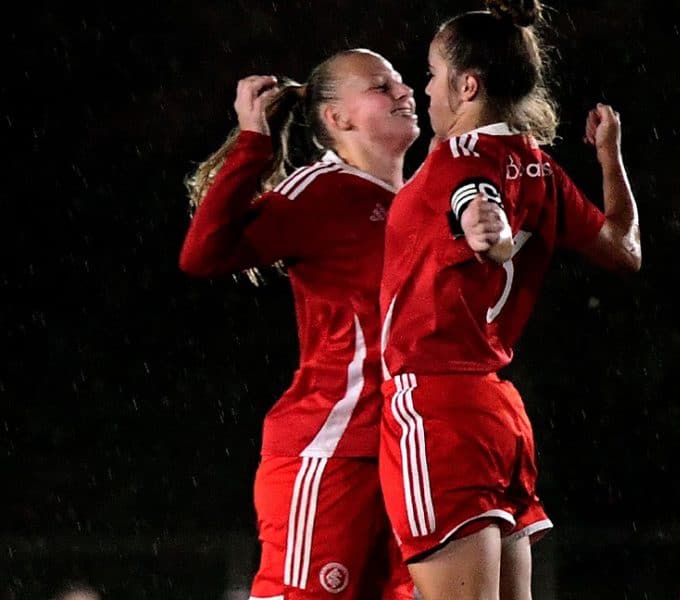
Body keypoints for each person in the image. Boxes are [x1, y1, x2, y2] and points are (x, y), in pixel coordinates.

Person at [377, 1, 642, 599]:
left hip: (436, 406)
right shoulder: (542, 169)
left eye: (431, 73)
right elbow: (626, 251)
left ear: (467, 85)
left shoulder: (460, 160)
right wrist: (610, 159)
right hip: (497, 413)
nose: (424, 88)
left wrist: (483, 223)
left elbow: (477, 199)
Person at [179, 48, 419, 600]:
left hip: (406, 448)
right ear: (338, 119)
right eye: (381, 87)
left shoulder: (425, 197)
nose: (404, 93)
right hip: (330, 445)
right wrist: (252, 144)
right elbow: (204, 254)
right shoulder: (320, 191)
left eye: (404, 82)